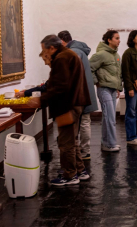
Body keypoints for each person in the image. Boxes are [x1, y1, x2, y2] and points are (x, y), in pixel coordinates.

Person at [39, 35, 91, 186]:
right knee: (72, 140)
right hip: (75, 102)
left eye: (44, 50)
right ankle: (80, 171)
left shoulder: (62, 58)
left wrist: (41, 99)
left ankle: (70, 175)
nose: (44, 54)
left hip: (68, 104)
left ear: (52, 48)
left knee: (66, 142)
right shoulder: (68, 54)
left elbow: (60, 87)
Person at [58, 30, 98, 160]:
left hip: (78, 93)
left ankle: (80, 151)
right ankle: (85, 150)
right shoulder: (81, 50)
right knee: (86, 121)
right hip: (86, 91)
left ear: (63, 41)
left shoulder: (73, 52)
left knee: (79, 123)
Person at [90, 30, 123, 152]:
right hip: (103, 88)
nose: (119, 40)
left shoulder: (117, 56)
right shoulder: (101, 54)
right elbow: (89, 68)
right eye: (117, 38)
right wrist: (96, 82)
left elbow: (118, 74)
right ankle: (110, 144)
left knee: (108, 117)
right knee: (110, 117)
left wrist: (118, 87)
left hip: (113, 89)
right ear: (109, 40)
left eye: (119, 38)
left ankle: (106, 143)